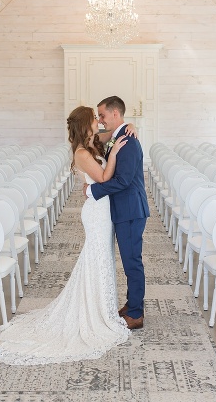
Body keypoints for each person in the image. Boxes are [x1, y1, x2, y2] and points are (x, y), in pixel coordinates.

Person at [0, 105, 131, 365]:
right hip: (96, 212)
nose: (98, 122)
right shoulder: (80, 153)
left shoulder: (91, 142)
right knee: (97, 257)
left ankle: (104, 308)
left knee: (103, 258)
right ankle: (96, 313)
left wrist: (130, 127)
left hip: (103, 209)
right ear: (85, 124)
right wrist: (115, 154)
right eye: (94, 119)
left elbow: (113, 132)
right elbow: (102, 176)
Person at [86, 96, 149, 330]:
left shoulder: (128, 141)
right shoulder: (119, 136)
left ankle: (135, 313)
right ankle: (132, 304)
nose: (100, 120)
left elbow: (123, 180)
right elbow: (91, 138)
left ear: (115, 113)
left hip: (131, 210)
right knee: (129, 260)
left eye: (102, 115)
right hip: (124, 209)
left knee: (132, 262)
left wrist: (93, 189)